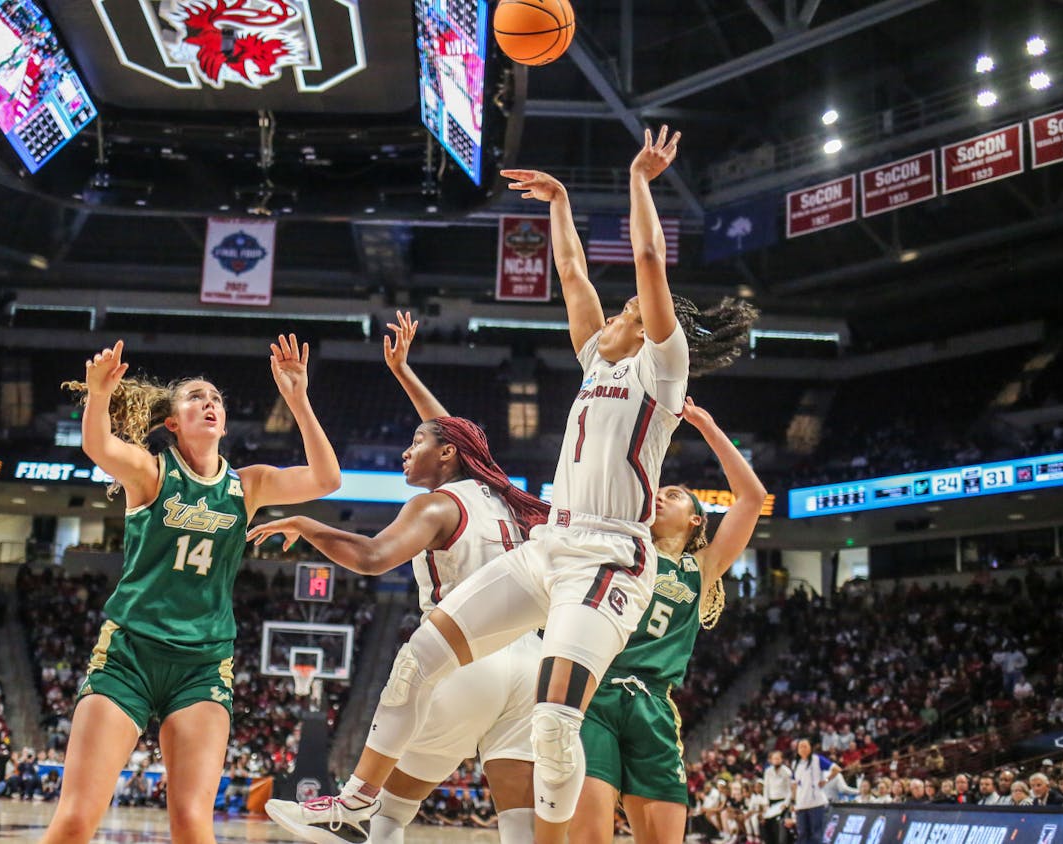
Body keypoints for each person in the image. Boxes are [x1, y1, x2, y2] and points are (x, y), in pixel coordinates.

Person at [266, 126, 756, 844]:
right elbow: (572, 274)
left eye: (629, 314)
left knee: (557, 727)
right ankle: (354, 806)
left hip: (610, 559)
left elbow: (648, 256)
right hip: (551, 549)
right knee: (416, 659)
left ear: (655, 331)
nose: (616, 315)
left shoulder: (662, 369)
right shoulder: (598, 363)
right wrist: (558, 202)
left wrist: (641, 181)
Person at [249, 311, 549, 844]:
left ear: (448, 455)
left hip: (465, 659)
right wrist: (403, 371)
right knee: (517, 825)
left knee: (384, 814)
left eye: (416, 442)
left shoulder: (434, 506)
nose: (406, 450)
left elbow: (370, 557)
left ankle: (351, 801)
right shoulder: (503, 498)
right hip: (530, 663)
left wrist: (304, 522)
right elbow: (456, 434)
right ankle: (360, 813)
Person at [40, 335, 341, 844]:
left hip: (202, 666)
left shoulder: (250, 485)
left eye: (216, 399)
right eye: (196, 397)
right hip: (128, 656)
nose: (210, 403)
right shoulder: (151, 474)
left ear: (223, 422)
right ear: (172, 422)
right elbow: (98, 446)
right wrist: (97, 395)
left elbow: (326, 478)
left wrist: (297, 400)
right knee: (74, 821)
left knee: (192, 824)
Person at [566, 398, 766, 844]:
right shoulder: (623, 545)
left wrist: (709, 427)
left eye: (671, 495)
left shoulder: (702, 568)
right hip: (597, 692)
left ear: (696, 520)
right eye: (657, 491)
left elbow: (752, 498)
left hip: (654, 705)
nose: (658, 495)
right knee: (590, 837)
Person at [791, 738, 839, 844]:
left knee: (816, 835)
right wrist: (793, 801)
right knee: (802, 834)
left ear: (810, 748)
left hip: (816, 803)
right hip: (801, 804)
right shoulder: (795, 764)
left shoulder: (817, 759)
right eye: (800, 747)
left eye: (805, 746)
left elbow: (836, 769)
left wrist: (826, 780)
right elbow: (794, 784)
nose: (803, 749)